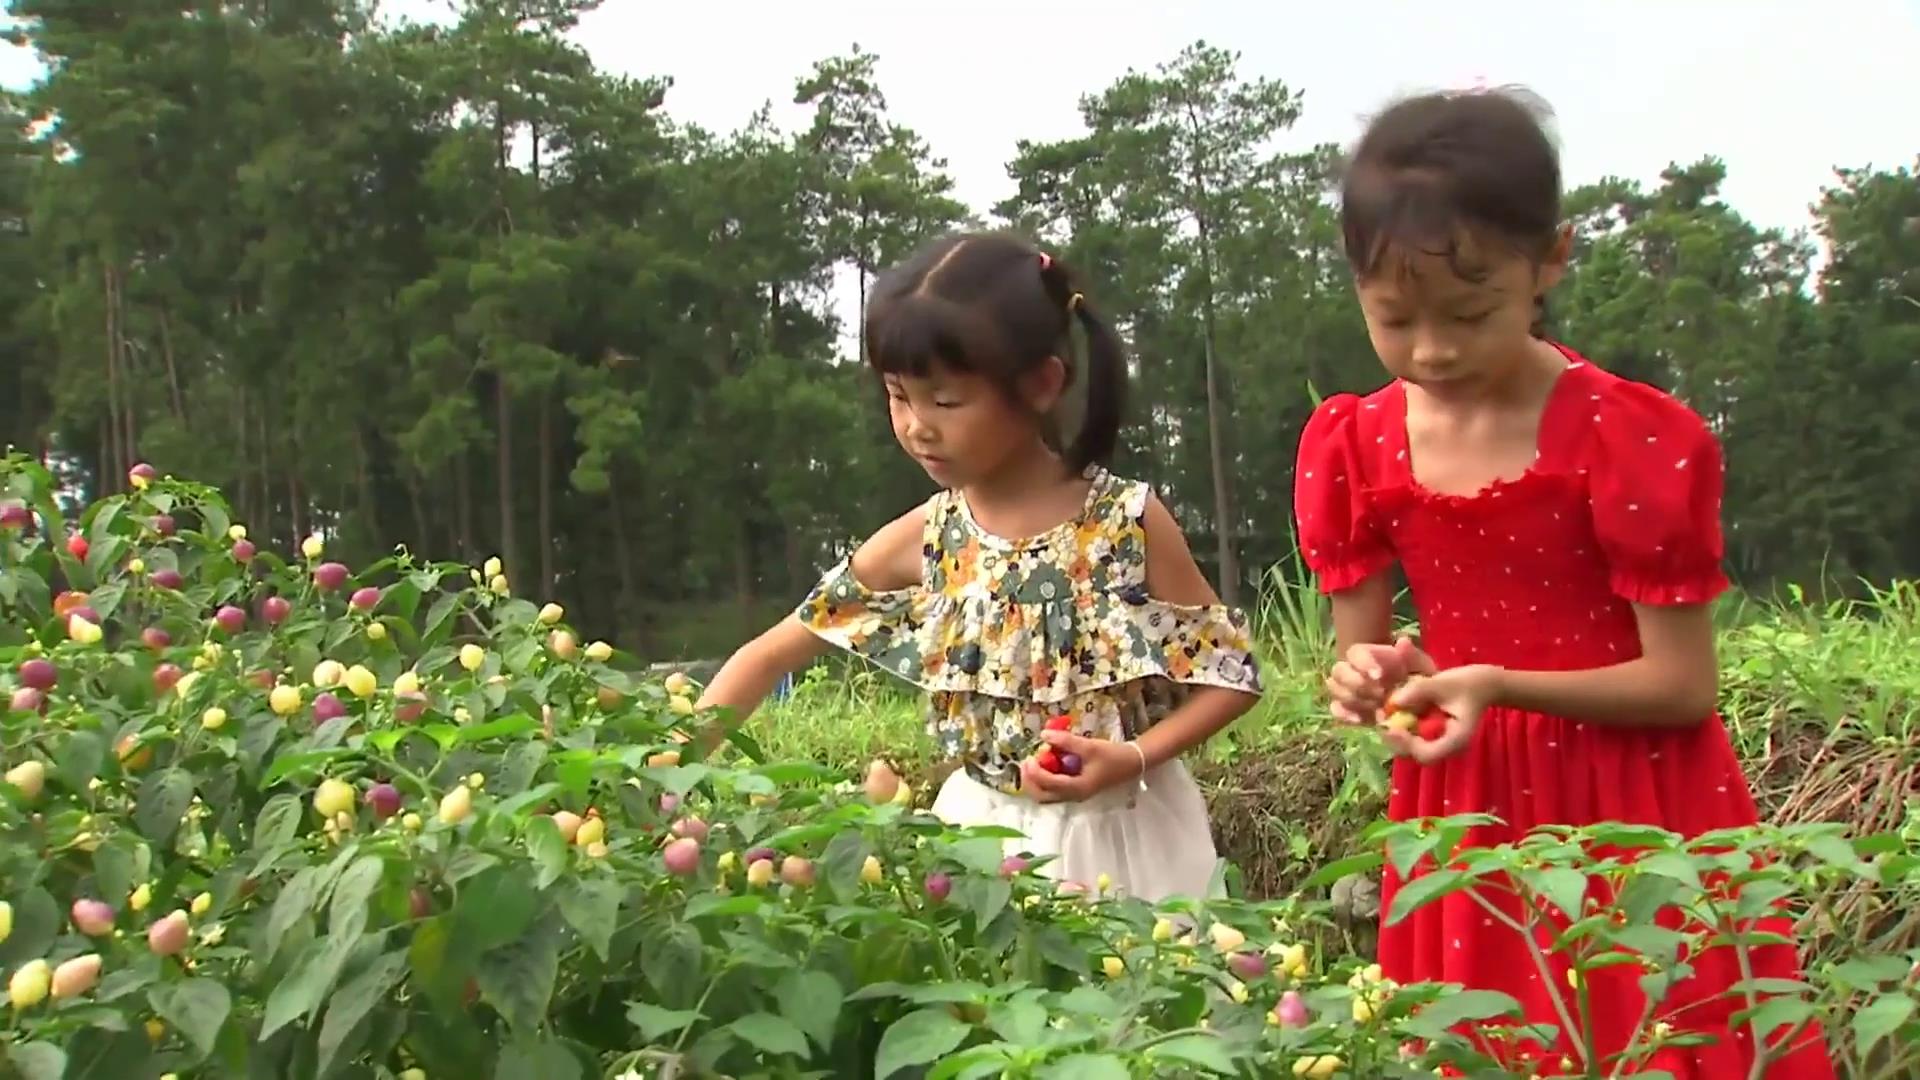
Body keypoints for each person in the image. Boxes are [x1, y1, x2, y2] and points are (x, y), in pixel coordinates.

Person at [1294, 87, 1834, 1077]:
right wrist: (1377, 683)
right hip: (1464, 811)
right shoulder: (1356, 441)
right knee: (1489, 1044)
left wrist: (1494, 683)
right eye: (1394, 319)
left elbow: (1682, 687)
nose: (1432, 349)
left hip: (1637, 799)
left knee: (1657, 1037)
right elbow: (1364, 666)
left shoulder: (1625, 437)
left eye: (1469, 311)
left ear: (1550, 260)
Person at [697, 231, 1263, 901]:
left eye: (944, 401)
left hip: (1130, 839)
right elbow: (767, 657)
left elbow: (1234, 676)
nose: (916, 426)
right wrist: (659, 777)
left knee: (1147, 997)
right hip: (980, 843)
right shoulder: (926, 540)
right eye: (897, 396)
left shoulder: (1125, 522)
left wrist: (1133, 758)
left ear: (1041, 385)